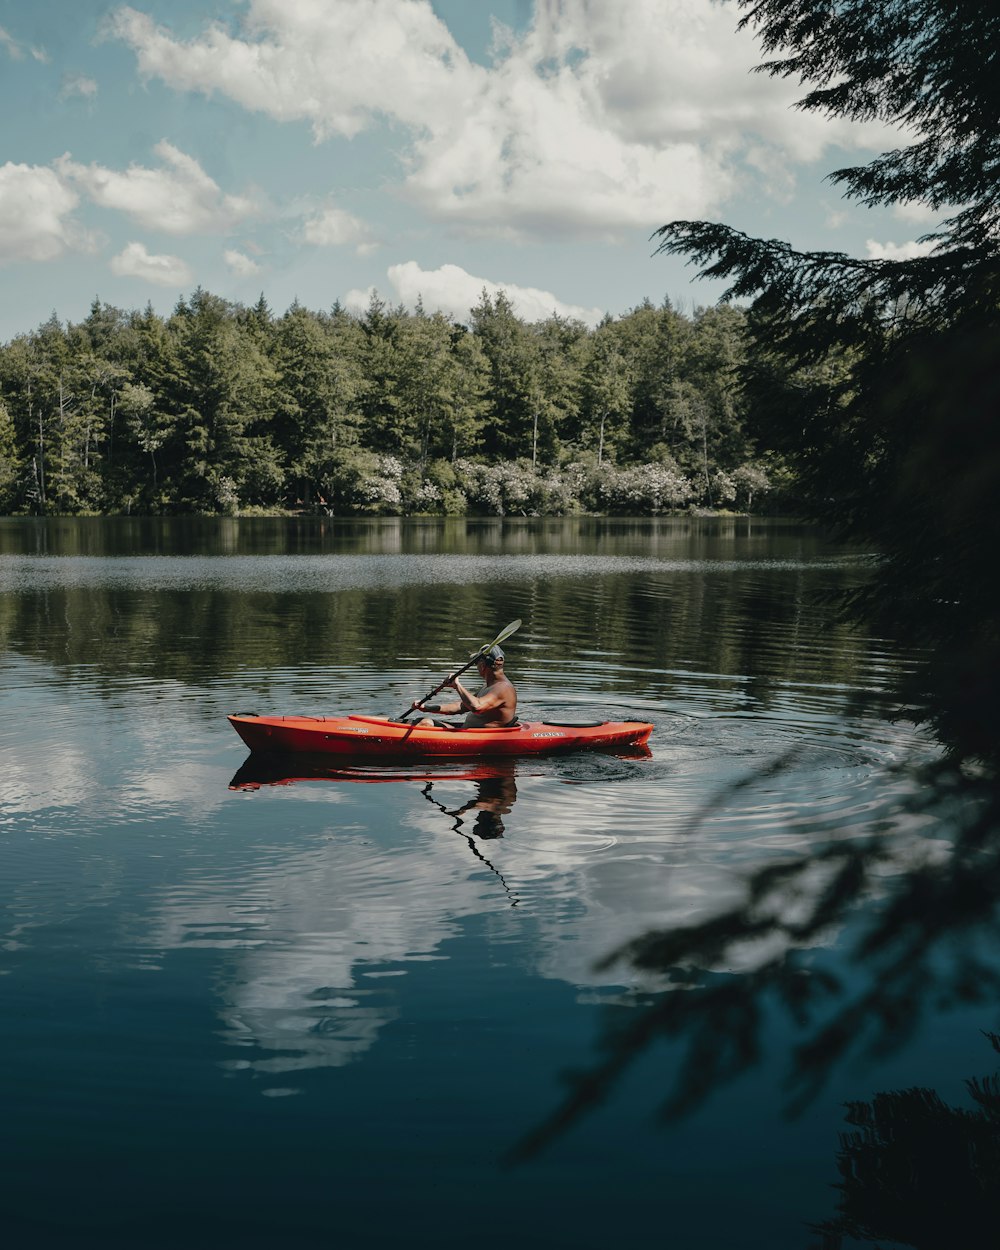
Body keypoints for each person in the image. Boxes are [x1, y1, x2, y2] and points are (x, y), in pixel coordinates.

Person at [411, 645, 517, 729]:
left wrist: (457, 686)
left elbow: (476, 707)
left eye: (476, 663)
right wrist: (426, 708)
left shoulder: (503, 689)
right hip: (467, 731)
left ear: (483, 665)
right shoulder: (490, 686)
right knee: (423, 721)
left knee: (425, 724)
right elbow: (462, 706)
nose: (476, 666)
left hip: (478, 738)